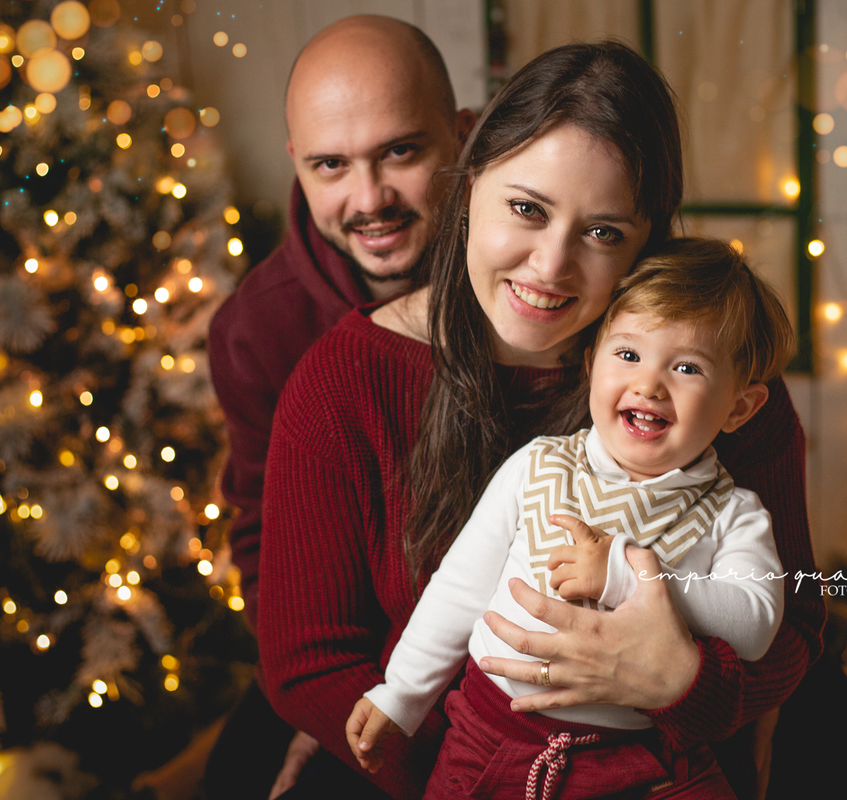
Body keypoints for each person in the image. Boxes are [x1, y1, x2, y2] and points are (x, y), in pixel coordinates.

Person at [258, 40, 826, 800]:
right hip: (458, 754)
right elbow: (309, 659)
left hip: (658, 752)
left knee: (828, 749)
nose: (550, 266)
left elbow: (791, 621)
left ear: (647, 241)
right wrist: (482, 764)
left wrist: (683, 688)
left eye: (603, 233)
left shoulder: (711, 387)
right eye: (527, 209)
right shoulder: (340, 383)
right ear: (468, 184)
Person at [346, 238, 795, 799]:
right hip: (493, 734)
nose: (649, 384)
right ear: (591, 365)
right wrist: (402, 694)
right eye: (628, 355)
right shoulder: (538, 466)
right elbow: (459, 588)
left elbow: (754, 626)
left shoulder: (732, 513)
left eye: (686, 367)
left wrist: (627, 575)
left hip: (642, 757)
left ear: (739, 407)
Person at [204, 15, 474, 799]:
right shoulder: (260, 329)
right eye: (331, 165)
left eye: (401, 151)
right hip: (355, 642)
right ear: (298, 164)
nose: (370, 200)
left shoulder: (534, 263)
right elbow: (261, 536)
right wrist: (321, 700)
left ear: (459, 135)